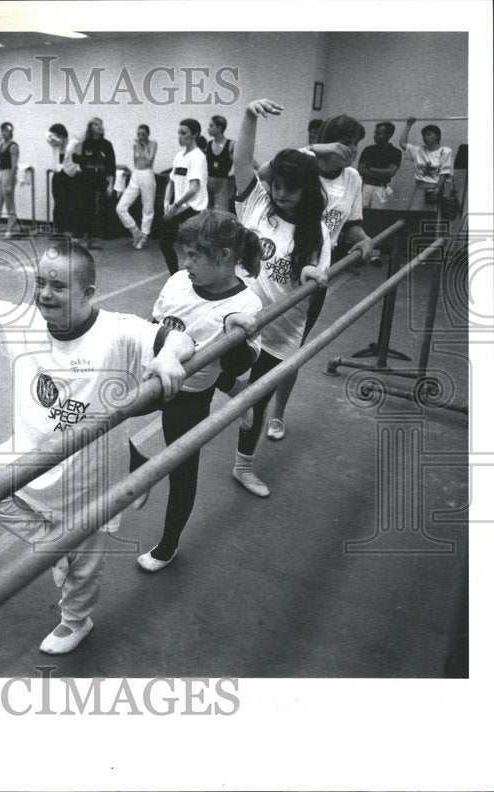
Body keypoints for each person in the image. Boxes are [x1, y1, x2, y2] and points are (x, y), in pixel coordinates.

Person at [0, 238, 195, 654]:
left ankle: (76, 621)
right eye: (41, 283)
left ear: (88, 293)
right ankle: (52, 544)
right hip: (33, 453)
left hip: (91, 472)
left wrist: (169, 358)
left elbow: (176, 339)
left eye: (59, 286)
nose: (46, 294)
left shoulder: (118, 331)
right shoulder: (23, 320)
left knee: (85, 564)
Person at [126, 211, 264, 570]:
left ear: (223, 257)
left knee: (182, 470)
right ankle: (136, 464)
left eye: (194, 256)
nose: (185, 263)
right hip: (154, 378)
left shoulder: (246, 305)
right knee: (102, 418)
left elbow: (238, 363)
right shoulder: (177, 282)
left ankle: (168, 546)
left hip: (192, 392)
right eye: (184, 254)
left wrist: (234, 332)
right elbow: (155, 326)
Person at [229, 98, 331, 498]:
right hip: (240, 319)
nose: (281, 193)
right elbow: (242, 161)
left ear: (308, 190)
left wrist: (311, 276)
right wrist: (249, 116)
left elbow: (317, 275)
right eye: (277, 184)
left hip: (282, 327)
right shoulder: (257, 203)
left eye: (291, 188)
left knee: (257, 402)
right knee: (221, 377)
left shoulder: (316, 230)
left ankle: (243, 466)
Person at [261, 114, 375, 441]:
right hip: (274, 264)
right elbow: (266, 173)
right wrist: (316, 148)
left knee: (290, 348)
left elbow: (350, 225)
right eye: (347, 142)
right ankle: (246, 402)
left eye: (356, 143)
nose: (352, 150)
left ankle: (277, 413)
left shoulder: (352, 178)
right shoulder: (305, 162)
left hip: (314, 271)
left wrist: (364, 239)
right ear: (330, 139)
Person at [158, 118, 208, 275]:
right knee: (165, 243)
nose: (180, 136)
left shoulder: (198, 157)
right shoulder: (179, 156)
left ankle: (200, 277)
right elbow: (171, 182)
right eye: (179, 133)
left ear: (194, 134)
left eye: (184, 133)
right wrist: (167, 202)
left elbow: (194, 188)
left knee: (193, 249)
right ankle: (175, 276)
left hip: (193, 210)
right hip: (178, 209)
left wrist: (175, 206)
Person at [75, 117, 116, 250]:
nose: (99, 126)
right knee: (83, 207)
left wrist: (110, 184)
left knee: (96, 209)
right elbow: (77, 159)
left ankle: (92, 239)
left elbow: (111, 166)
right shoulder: (85, 143)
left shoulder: (107, 145)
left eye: (101, 124)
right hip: (86, 177)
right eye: (96, 124)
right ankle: (80, 237)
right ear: (91, 127)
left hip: (100, 177)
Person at [398, 118, 454, 212]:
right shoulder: (418, 150)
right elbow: (402, 143)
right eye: (424, 135)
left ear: (437, 136)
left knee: (430, 219)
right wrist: (408, 125)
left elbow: (444, 174)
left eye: (429, 134)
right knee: (412, 215)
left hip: (435, 188)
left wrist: (436, 191)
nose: (425, 137)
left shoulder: (445, 151)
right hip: (420, 188)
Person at [115, 124, 157, 250]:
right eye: (138, 134)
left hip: (147, 174)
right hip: (136, 174)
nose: (140, 137)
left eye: (143, 134)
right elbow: (136, 161)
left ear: (148, 135)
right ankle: (136, 231)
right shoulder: (135, 145)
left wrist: (143, 146)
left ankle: (144, 236)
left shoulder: (153, 144)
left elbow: (149, 160)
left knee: (148, 207)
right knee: (120, 207)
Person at [46, 123, 82, 238]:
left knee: (71, 202)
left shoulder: (73, 144)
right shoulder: (55, 146)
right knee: (58, 202)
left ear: (61, 135)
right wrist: (53, 137)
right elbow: (46, 136)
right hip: (58, 176)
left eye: (55, 136)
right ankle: (59, 228)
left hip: (70, 176)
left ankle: (71, 229)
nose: (53, 139)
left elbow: (79, 158)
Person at [358, 122, 402, 210]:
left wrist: (371, 169)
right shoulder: (368, 150)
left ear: (388, 135)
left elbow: (391, 172)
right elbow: (360, 170)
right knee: (359, 214)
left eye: (378, 133)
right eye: (375, 133)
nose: (375, 136)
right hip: (366, 186)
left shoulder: (396, 152)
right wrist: (382, 173)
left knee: (377, 215)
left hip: (381, 189)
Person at [205, 116, 235, 211]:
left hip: (222, 187)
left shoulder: (231, 144)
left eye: (211, 126)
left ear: (219, 128)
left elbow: (245, 158)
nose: (208, 129)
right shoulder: (209, 144)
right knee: (206, 217)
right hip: (207, 186)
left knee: (220, 217)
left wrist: (259, 169)